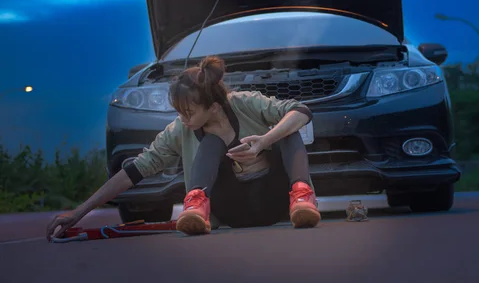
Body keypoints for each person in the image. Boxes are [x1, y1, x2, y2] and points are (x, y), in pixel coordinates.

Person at [46, 56, 321, 240]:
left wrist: (265, 141)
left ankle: (302, 198)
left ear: (213, 107)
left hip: (276, 203)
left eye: (188, 112)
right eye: (179, 112)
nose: (183, 119)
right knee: (212, 142)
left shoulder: (245, 103)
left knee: (287, 127)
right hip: (233, 209)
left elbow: (301, 110)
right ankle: (196, 207)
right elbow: (136, 170)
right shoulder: (181, 129)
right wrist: (79, 211)